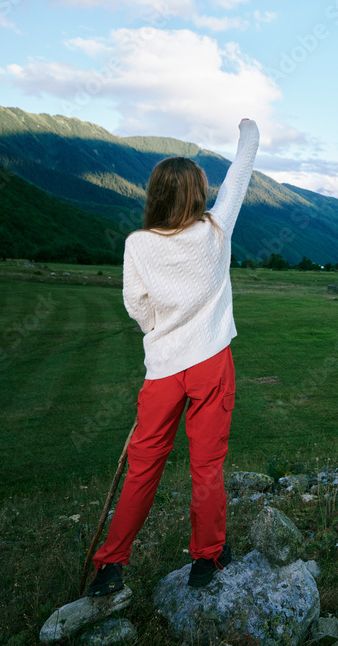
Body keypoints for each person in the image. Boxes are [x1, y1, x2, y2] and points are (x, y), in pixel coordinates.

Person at [87, 118, 260, 595]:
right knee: (206, 466)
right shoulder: (214, 232)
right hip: (210, 364)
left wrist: (160, 333)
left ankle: (110, 567)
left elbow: (136, 305)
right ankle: (207, 559)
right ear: (198, 196)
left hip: (163, 371)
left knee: (143, 468)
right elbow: (241, 173)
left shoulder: (137, 245)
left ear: (155, 195)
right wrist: (248, 130)